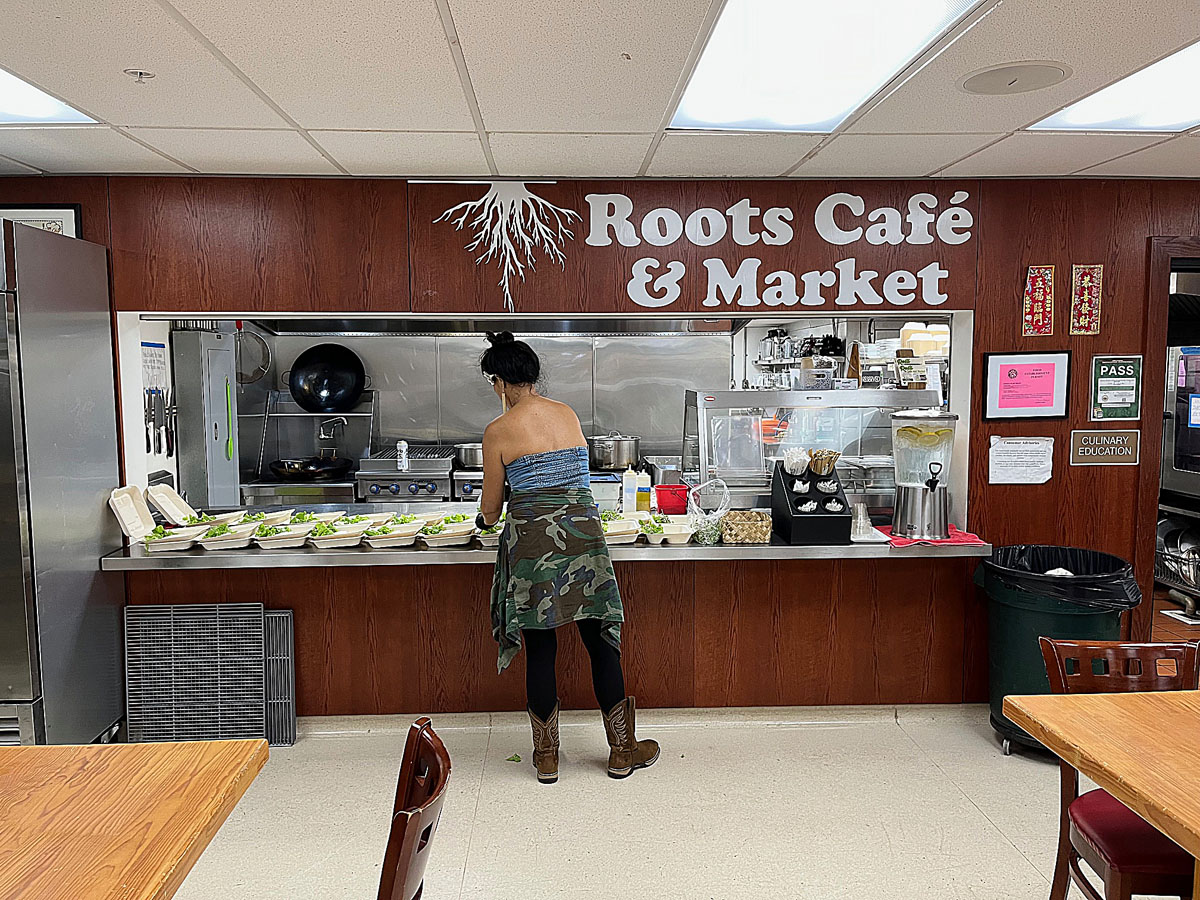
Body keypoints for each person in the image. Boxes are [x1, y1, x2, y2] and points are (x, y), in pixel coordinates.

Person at [476, 332, 659, 784]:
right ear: (534, 375)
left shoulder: (498, 431)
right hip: (583, 539)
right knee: (600, 643)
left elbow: (491, 508)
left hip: (534, 550)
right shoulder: (567, 413)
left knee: (541, 649)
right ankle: (621, 751)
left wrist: (481, 525)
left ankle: (546, 758)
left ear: (498, 382)